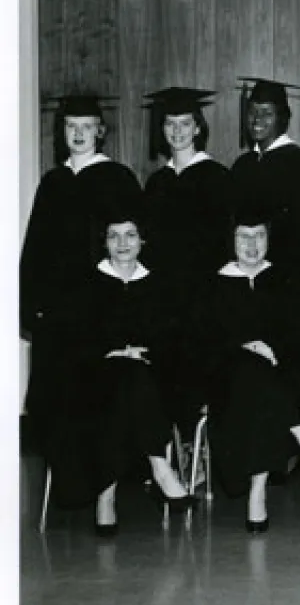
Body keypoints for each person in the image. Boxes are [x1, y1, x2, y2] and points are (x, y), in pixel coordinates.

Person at [47, 206, 194, 536]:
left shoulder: (159, 286)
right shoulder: (86, 285)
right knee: (121, 377)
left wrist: (141, 354)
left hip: (151, 382)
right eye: (113, 236)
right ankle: (160, 467)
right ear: (104, 243)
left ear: (143, 240)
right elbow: (68, 344)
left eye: (130, 235)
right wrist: (110, 353)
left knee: (133, 376)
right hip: (92, 381)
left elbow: (174, 342)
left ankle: (106, 498)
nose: (122, 243)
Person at [21, 95, 143, 469]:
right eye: (71, 126)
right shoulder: (53, 181)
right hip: (57, 310)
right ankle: (68, 480)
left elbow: (132, 247)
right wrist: (29, 306)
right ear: (62, 132)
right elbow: (35, 249)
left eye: (86, 126)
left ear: (100, 131)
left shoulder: (117, 177)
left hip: (100, 305)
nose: (78, 134)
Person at [203, 211, 300, 533]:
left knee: (259, 381)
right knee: (249, 371)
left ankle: (258, 492)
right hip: (226, 383)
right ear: (231, 241)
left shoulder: (285, 281)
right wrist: (243, 348)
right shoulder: (213, 285)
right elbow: (202, 342)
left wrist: (274, 350)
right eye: (243, 236)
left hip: (278, 378)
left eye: (259, 235)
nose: (251, 244)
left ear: (269, 240)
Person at [229, 78, 300, 421]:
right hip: (248, 289)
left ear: (283, 118)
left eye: (266, 113)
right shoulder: (242, 167)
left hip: (290, 292)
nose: (257, 120)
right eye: (252, 112)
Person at [140, 87, 232, 437]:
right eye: (169, 123)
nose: (177, 131)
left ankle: (198, 457)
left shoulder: (216, 177)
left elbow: (224, 245)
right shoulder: (157, 182)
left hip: (202, 299)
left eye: (185, 123)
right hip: (164, 300)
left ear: (198, 128)